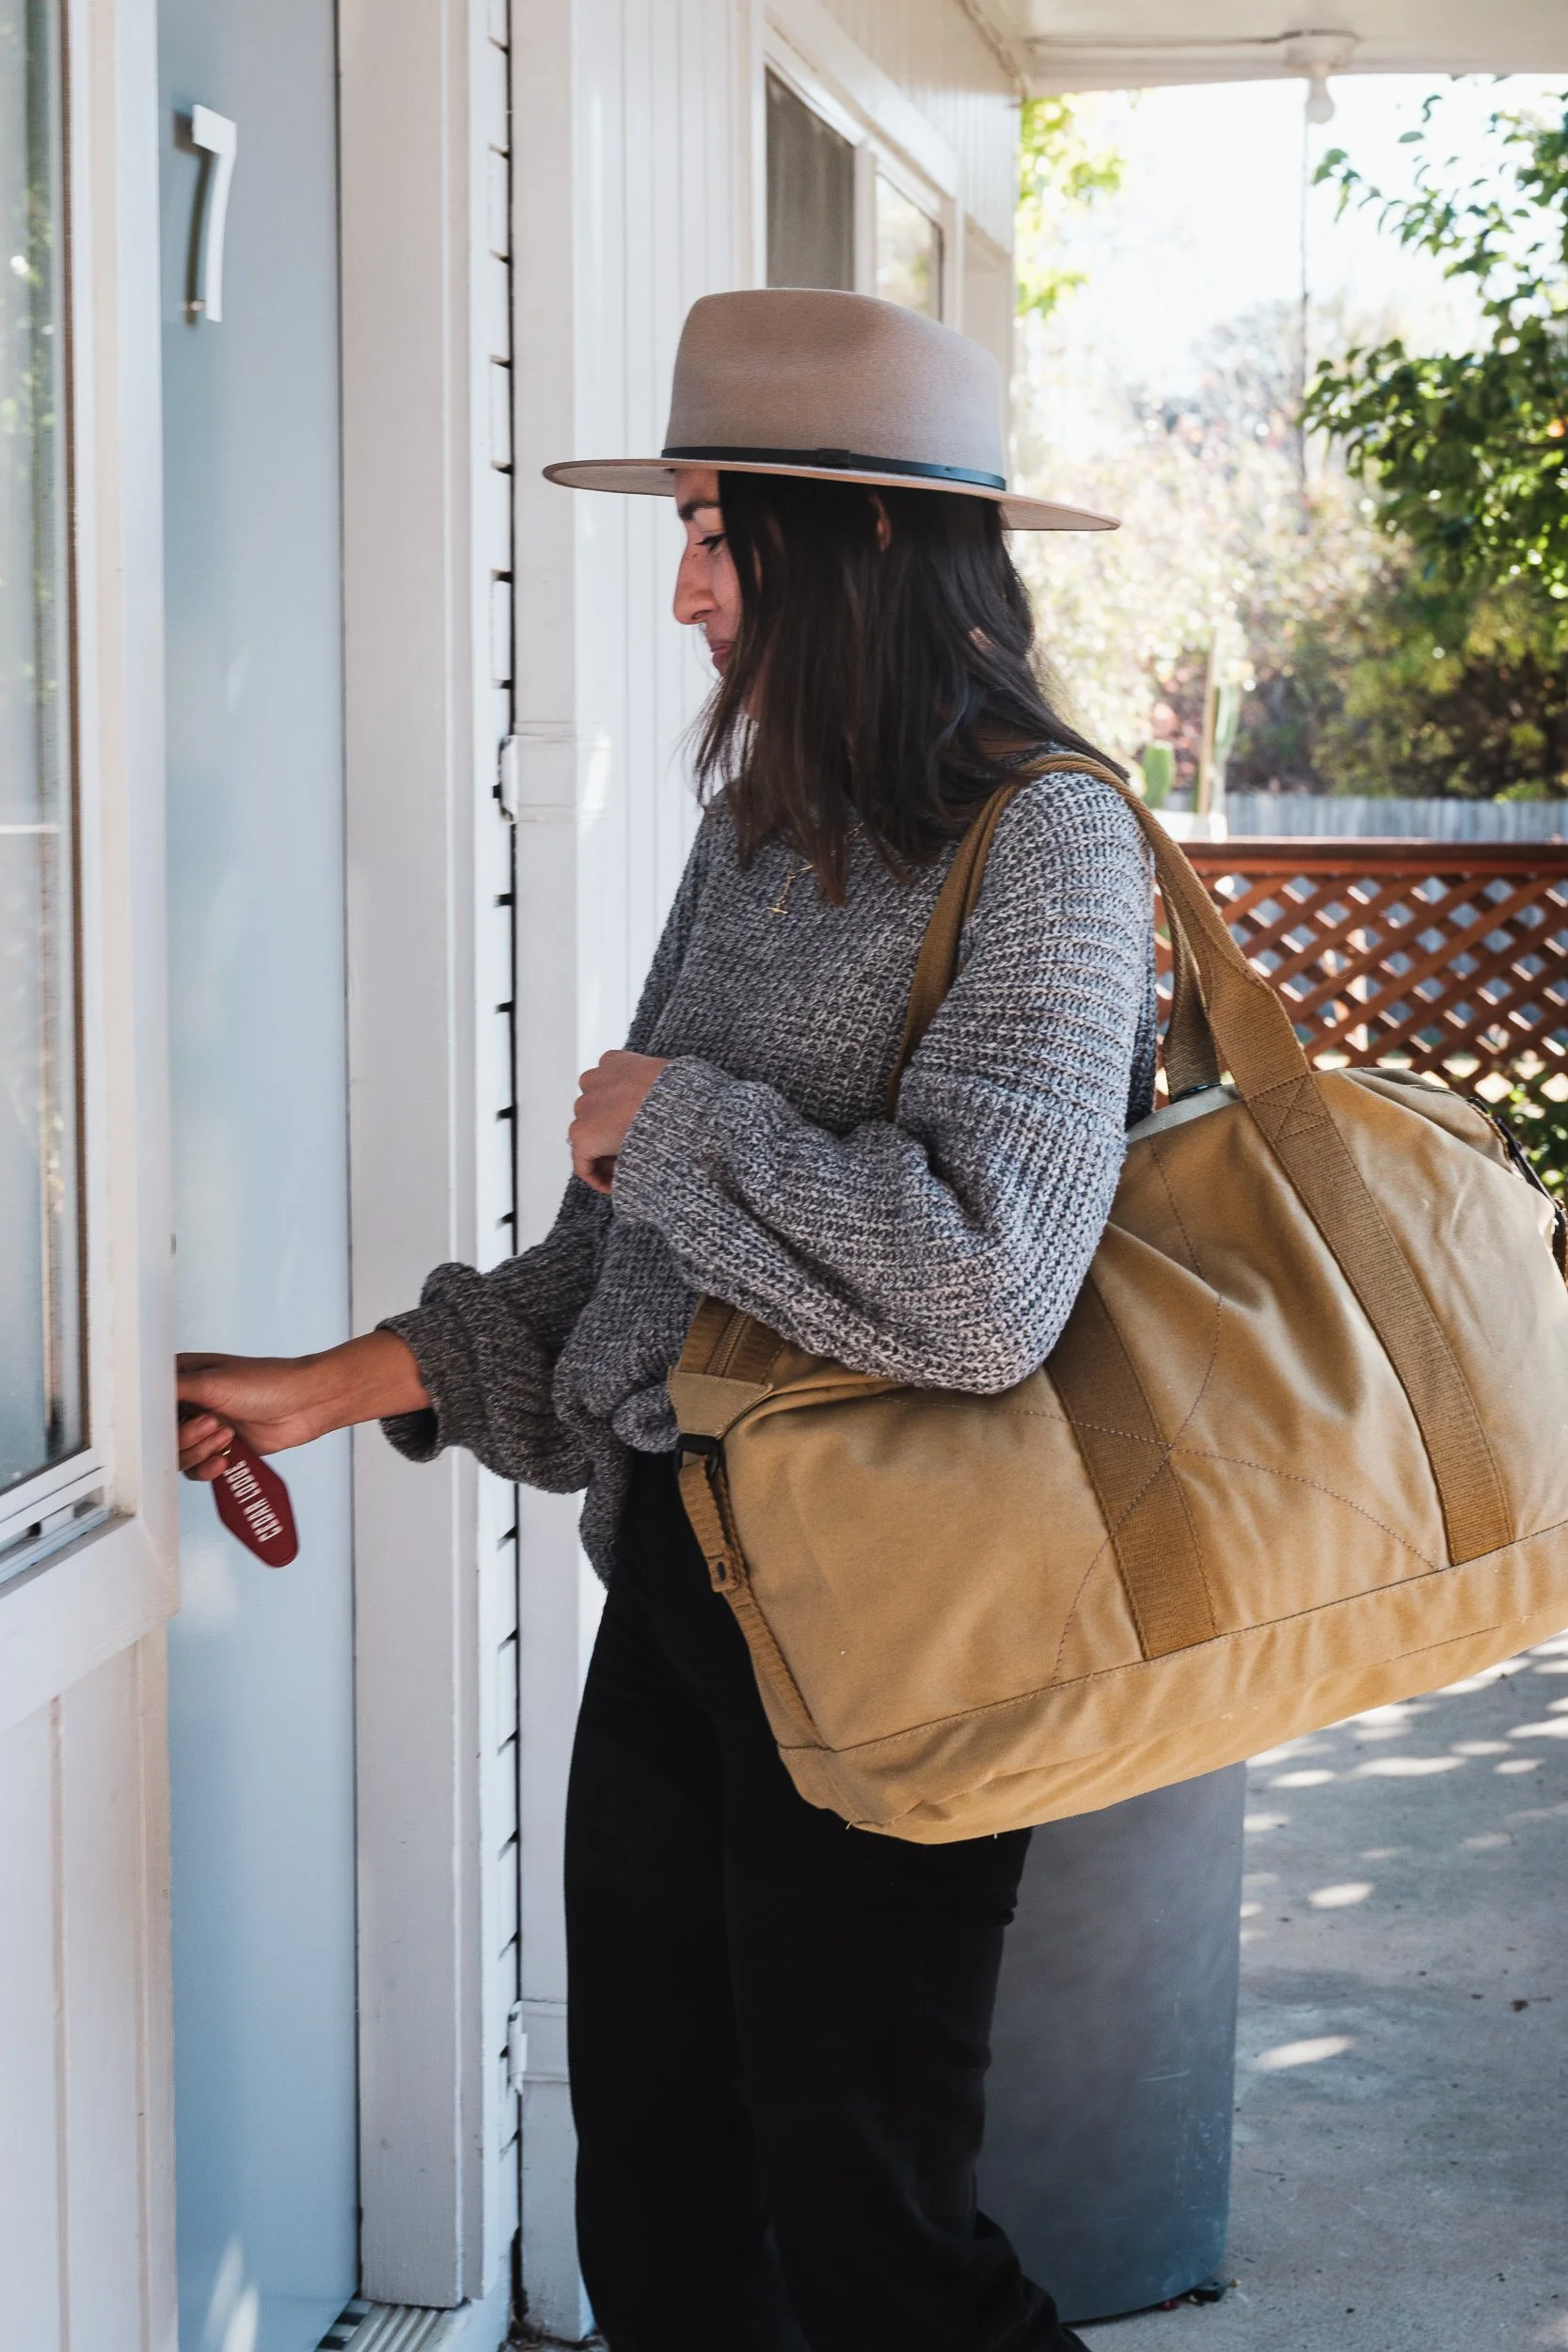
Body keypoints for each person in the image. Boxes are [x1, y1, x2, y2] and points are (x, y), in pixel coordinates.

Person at [178, 288, 1155, 2352]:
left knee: (875, 2240)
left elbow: (984, 1284)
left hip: (902, 1638)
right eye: (688, 531)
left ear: (870, 542)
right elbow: (621, 1272)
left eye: (721, 531)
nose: (689, 588)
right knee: (660, 2186)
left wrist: (677, 1122)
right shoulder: (760, 833)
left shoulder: (1049, 840)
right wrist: (325, 1386)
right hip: (684, 1601)